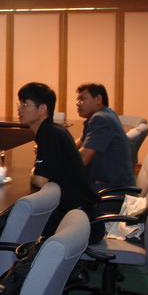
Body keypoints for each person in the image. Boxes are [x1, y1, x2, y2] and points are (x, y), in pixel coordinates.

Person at [17, 82, 104, 244]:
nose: (19, 108)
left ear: (42, 109)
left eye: (25, 104)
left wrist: (33, 172)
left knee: (14, 227)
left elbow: (40, 180)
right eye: (19, 103)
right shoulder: (55, 129)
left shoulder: (48, 134)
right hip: (82, 215)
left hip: (78, 222)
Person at [75, 82, 134, 192]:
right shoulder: (106, 113)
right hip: (111, 184)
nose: (77, 103)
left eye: (82, 99)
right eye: (77, 99)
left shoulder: (100, 119)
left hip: (111, 189)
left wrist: (57, 159)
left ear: (98, 99)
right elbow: (78, 143)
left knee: (59, 188)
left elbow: (83, 159)